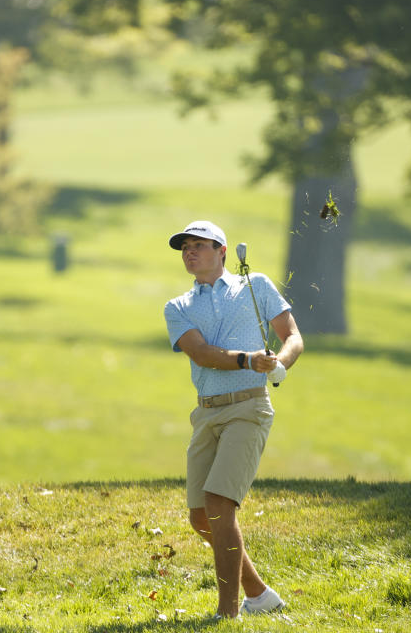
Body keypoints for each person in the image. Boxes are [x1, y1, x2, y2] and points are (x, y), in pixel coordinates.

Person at [163, 220, 304, 619]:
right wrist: (247, 358)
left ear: (223, 251)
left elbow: (292, 335)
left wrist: (281, 365)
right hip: (206, 412)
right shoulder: (177, 307)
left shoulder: (255, 285)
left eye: (199, 245)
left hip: (248, 407)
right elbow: (203, 353)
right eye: (185, 247)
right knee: (200, 516)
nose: (190, 252)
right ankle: (259, 594)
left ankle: (227, 615)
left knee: (219, 504)